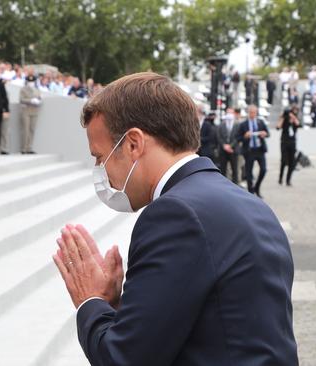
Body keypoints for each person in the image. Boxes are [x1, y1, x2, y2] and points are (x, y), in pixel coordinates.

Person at [52, 72, 297, 366]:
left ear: (133, 144)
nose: (100, 170)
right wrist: (122, 308)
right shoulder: (249, 203)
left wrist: (90, 301)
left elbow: (123, 359)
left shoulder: (175, 214)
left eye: (99, 156)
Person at [238, 104, 270, 198]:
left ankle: (257, 187)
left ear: (256, 113)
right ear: (248, 113)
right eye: (250, 112)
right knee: (249, 172)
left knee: (263, 170)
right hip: (249, 150)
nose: (252, 114)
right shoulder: (243, 124)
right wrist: (245, 136)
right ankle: (250, 192)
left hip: (260, 149)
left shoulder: (260, 122)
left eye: (254, 112)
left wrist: (265, 134)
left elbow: (268, 134)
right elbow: (238, 138)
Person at [277, 106, 300, 186]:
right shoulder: (284, 119)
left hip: (292, 143)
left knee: (292, 163)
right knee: (284, 161)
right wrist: (283, 117)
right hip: (284, 142)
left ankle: (288, 180)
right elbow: (278, 127)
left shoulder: (294, 119)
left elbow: (298, 124)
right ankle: (280, 178)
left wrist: (293, 117)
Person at [19, 74, 42, 154]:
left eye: (32, 81)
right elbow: (21, 99)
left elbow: (40, 98)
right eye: (29, 81)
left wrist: (38, 101)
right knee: (25, 130)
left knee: (32, 130)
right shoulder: (23, 89)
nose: (31, 82)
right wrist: (31, 100)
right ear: (27, 81)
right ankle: (24, 148)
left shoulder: (37, 90)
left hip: (34, 111)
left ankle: (29, 147)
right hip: (26, 111)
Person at [217, 109, 241, 184]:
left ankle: (235, 186)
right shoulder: (221, 124)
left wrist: (230, 146)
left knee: (235, 170)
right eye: (228, 113)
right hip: (223, 151)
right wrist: (224, 145)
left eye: (231, 113)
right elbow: (219, 136)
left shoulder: (237, 124)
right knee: (223, 170)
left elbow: (238, 137)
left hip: (233, 151)